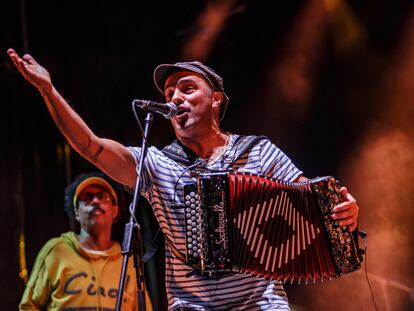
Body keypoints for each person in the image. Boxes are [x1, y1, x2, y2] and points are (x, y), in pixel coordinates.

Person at [8, 48, 359, 310]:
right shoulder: (158, 164)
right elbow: (91, 147)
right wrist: (48, 91)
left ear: (216, 99)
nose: (176, 97)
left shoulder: (258, 152)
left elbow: (316, 203)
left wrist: (344, 212)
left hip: (261, 303)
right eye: (170, 93)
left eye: (187, 88)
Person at [19, 171, 152, 310]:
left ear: (115, 210)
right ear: (76, 212)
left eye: (102, 196)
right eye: (87, 198)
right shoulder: (55, 251)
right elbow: (28, 306)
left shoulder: (128, 262)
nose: (95, 201)